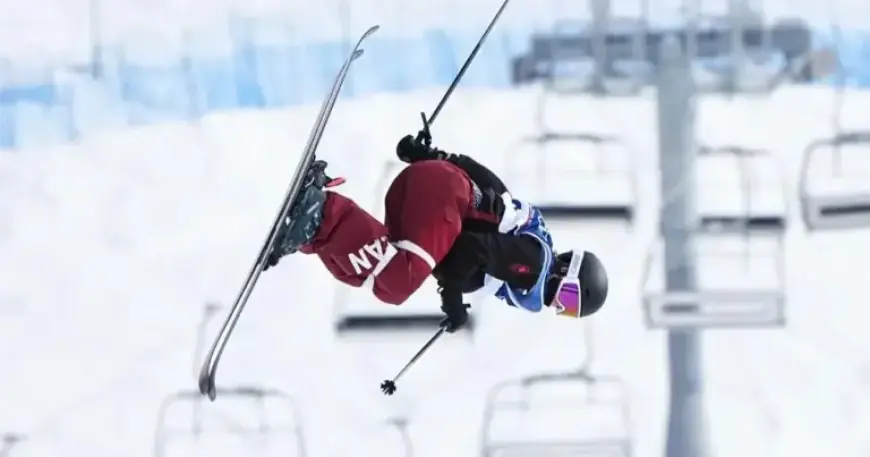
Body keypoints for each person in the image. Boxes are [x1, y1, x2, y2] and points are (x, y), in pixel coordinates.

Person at [264, 133, 609, 332]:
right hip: (440, 195)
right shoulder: (532, 265)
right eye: (568, 298)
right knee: (400, 280)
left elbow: (494, 188)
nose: (556, 306)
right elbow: (470, 249)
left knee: (386, 280)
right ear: (565, 271)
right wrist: (453, 300)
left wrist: (431, 157)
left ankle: (313, 232)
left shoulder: (526, 239)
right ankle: (319, 213)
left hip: (433, 189)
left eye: (567, 310)